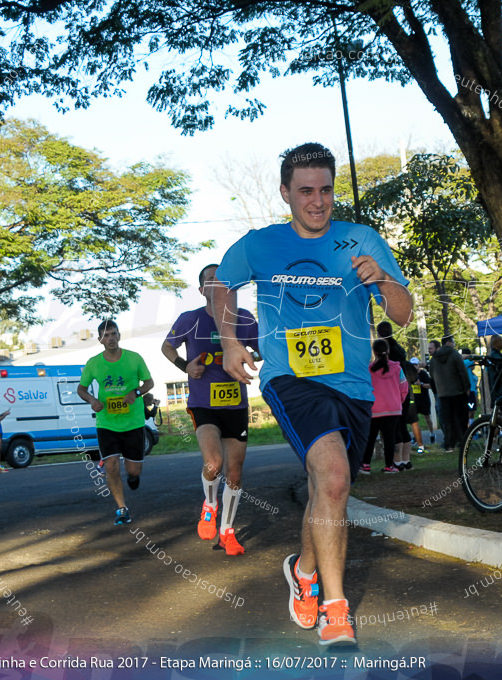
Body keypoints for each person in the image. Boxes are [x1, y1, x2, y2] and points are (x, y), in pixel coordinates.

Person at [211, 142, 412, 647]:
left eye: (325, 190)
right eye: (305, 191)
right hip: (291, 379)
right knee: (335, 475)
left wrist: (383, 279)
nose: (317, 201)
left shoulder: (361, 240)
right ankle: (335, 609)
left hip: (353, 386)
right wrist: (232, 342)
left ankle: (304, 570)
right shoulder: (260, 244)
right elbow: (221, 285)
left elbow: (404, 313)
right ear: (285, 192)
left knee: (330, 487)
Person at [162, 263, 260, 556]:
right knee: (213, 463)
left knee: (235, 473)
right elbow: (168, 347)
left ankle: (227, 532)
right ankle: (209, 505)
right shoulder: (190, 319)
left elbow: (263, 348)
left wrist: (248, 356)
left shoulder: (243, 319)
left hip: (236, 403)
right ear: (202, 290)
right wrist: (186, 366)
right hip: (204, 404)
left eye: (223, 279)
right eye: (211, 280)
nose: (217, 284)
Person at [77, 319, 155, 526]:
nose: (110, 338)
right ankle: (122, 508)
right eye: (106, 335)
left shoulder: (134, 358)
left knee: (133, 471)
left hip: (133, 422)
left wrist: (135, 392)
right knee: (111, 465)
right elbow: (81, 389)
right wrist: (93, 400)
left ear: (119, 335)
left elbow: (149, 382)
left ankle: (132, 477)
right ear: (100, 340)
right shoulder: (93, 363)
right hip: (106, 423)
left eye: (113, 333)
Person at [360, 339, 409, 474]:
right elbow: (404, 387)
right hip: (393, 408)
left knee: (370, 437)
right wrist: (398, 400)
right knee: (390, 439)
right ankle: (389, 466)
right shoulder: (397, 368)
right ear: (387, 351)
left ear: (374, 352)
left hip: (375, 409)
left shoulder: (369, 369)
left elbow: (364, 389)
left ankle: (365, 464)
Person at [376, 320, 416, 469]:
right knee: (403, 426)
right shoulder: (399, 348)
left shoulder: (386, 351)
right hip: (404, 390)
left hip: (392, 392)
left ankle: (397, 461)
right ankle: (406, 460)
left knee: (394, 428)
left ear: (379, 334)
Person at [429, 335, 470, 452]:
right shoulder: (455, 355)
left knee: (448, 420)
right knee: (461, 418)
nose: (454, 345)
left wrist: (437, 391)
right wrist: (467, 387)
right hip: (458, 392)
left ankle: (449, 444)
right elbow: (462, 372)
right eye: (453, 342)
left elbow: (431, 377)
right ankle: (463, 442)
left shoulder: (434, 359)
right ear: (448, 343)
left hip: (443, 394)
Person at [409, 357, 433, 451]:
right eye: (412, 365)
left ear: (418, 365)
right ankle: (415, 437)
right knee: (414, 420)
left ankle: (431, 433)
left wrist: (421, 383)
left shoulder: (423, 374)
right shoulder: (410, 375)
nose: (414, 367)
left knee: (427, 418)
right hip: (414, 400)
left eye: (415, 365)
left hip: (424, 399)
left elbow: (430, 385)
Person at [461, 348, 479, 420]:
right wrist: (469, 356)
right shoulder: (466, 362)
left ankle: (471, 426)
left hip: (472, 391)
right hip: (469, 391)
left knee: (472, 411)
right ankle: (469, 428)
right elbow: (476, 357)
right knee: (470, 411)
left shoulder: (471, 373)